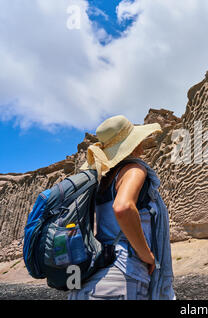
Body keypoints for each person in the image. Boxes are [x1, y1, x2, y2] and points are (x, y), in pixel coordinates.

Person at [68, 115, 175, 300]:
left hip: (89, 277)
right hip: (122, 276)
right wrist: (147, 255)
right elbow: (123, 207)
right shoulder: (133, 169)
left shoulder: (102, 180)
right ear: (131, 144)